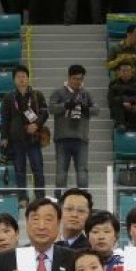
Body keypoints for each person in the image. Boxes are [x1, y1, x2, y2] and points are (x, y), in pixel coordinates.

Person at [1, 65, 48, 203]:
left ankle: (40, 197)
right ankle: (22, 197)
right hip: (16, 139)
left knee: (38, 168)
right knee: (19, 169)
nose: (21, 79)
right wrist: (4, 137)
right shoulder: (9, 98)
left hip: (34, 139)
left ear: (28, 78)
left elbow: (45, 113)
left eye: (23, 76)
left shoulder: (37, 95)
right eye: (18, 77)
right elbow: (5, 119)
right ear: (14, 80)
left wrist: (37, 124)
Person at [50, 64, 96, 193]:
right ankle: (59, 198)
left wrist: (86, 109)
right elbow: (51, 109)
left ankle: (84, 197)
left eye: (80, 79)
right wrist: (66, 105)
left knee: (82, 170)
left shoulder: (86, 94)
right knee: (61, 171)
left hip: (81, 137)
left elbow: (96, 110)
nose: (77, 81)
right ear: (69, 78)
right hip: (62, 137)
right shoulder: (58, 92)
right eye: (75, 78)